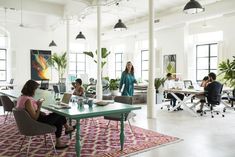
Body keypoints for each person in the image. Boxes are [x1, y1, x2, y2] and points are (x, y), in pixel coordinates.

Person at [16, 80, 74, 149]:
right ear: (31, 89)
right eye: (36, 89)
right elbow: (35, 118)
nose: (36, 91)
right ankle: (66, 129)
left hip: (27, 123)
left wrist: (39, 111)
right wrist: (39, 106)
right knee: (59, 114)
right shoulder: (28, 100)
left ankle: (63, 135)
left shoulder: (21, 97)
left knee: (58, 118)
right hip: (35, 123)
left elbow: (28, 112)